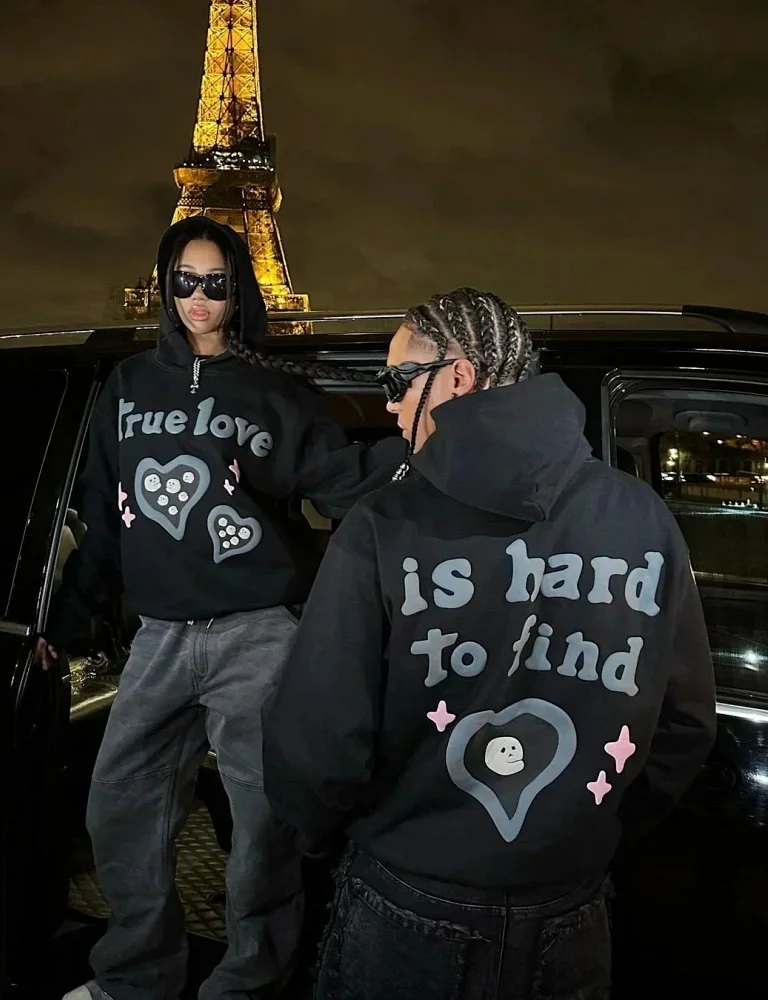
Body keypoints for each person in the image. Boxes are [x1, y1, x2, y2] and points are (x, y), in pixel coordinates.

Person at [262, 288, 717, 1000]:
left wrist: (340, 838)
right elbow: (684, 722)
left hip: (409, 897)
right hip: (570, 905)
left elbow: (317, 737)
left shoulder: (383, 524)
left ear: (458, 377)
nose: (389, 406)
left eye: (396, 381)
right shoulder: (642, 517)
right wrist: (588, 828)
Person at [41, 215, 404, 1000]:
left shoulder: (274, 392)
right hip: (158, 637)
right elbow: (104, 515)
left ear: (239, 290)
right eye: (184, 281)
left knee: (265, 828)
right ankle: (135, 978)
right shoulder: (128, 386)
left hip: (257, 635)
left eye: (216, 282)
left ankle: (248, 984)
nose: (199, 297)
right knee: (119, 809)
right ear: (165, 284)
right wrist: (64, 624)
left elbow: (344, 485)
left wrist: (430, 441)